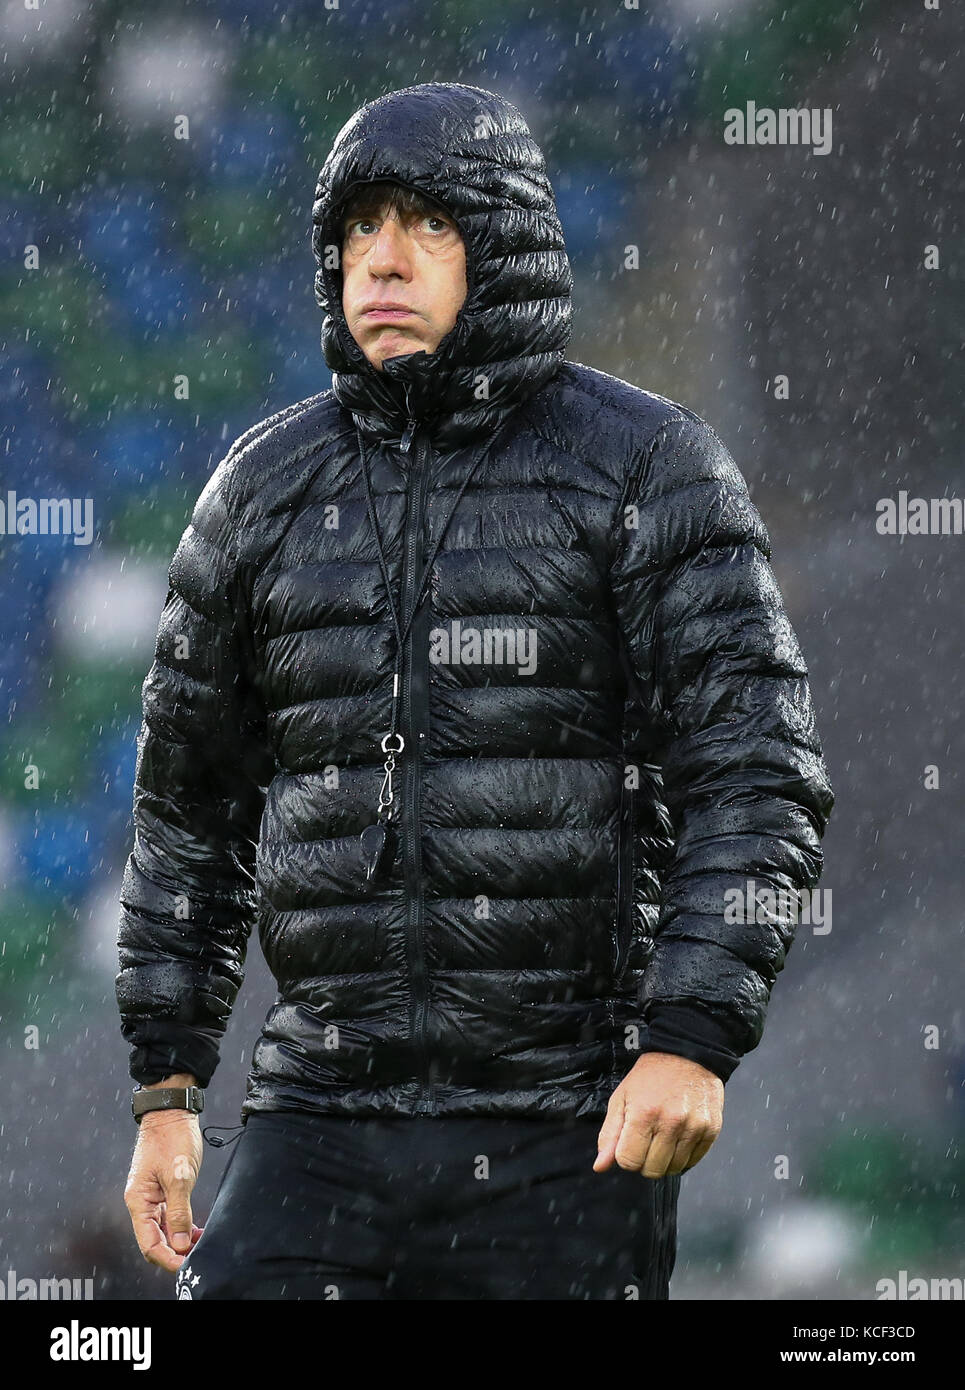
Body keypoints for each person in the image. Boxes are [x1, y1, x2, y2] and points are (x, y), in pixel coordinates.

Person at [117, 81, 834, 1301]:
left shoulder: (647, 466)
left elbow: (756, 776)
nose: (380, 261)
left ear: (499, 245)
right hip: (317, 1120)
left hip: (564, 1123)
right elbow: (188, 816)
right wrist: (166, 1093)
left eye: (425, 225)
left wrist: (688, 1038)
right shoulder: (257, 493)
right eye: (357, 229)